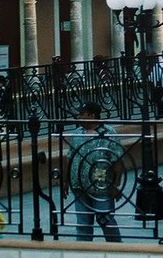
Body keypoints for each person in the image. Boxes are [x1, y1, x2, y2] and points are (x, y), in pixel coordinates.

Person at [65, 102, 123, 242]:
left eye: (82, 115)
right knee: (83, 222)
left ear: (92, 115)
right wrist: (65, 181)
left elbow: (117, 160)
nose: (78, 117)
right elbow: (70, 157)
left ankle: (116, 248)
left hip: (101, 185)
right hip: (79, 184)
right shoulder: (77, 133)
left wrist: (115, 184)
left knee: (105, 219)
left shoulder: (108, 133)